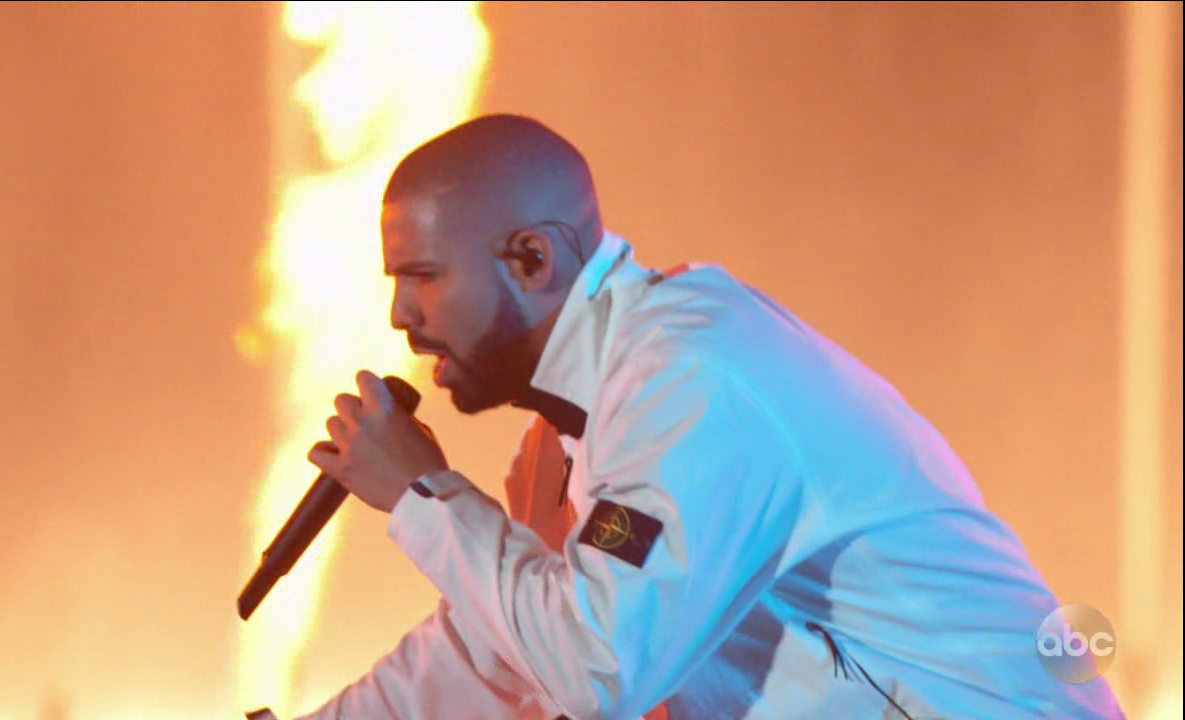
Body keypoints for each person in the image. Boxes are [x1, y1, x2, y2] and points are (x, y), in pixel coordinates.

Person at [297, 114, 1125, 719]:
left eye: (425, 276)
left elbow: (598, 670)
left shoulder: (688, 383)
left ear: (533, 260)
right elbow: (501, 650)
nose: (401, 316)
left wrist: (421, 492)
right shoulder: (604, 411)